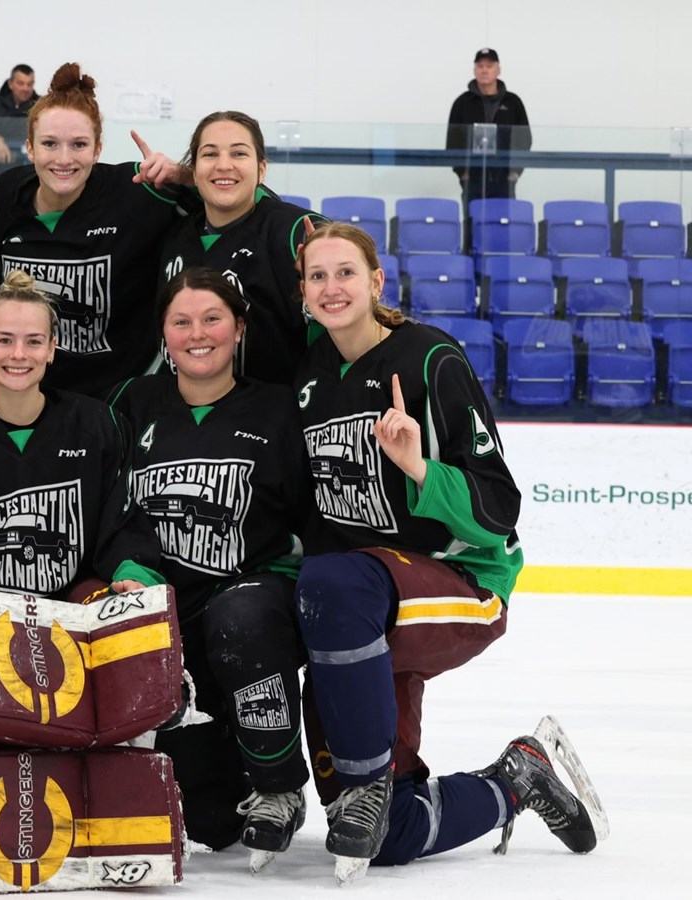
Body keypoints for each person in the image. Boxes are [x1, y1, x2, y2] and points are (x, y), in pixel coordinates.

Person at [293, 222, 599, 881]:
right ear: (303, 292)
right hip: (359, 605)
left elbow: (499, 507)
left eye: (346, 272)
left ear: (376, 281)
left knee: (333, 583)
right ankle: (518, 778)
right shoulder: (309, 376)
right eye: (317, 275)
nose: (332, 286)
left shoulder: (431, 359)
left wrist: (421, 469)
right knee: (384, 834)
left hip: (463, 581)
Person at [107, 267, 312, 863]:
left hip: (252, 612)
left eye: (213, 318)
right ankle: (236, 763)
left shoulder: (278, 410)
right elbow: (104, 511)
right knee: (212, 822)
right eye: (182, 322)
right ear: (164, 336)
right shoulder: (131, 403)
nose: (198, 334)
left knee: (241, 613)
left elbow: (311, 522)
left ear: (240, 327)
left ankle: (279, 785)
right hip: (168, 623)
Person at [0, 271, 161, 602]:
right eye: (4, 340)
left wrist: (132, 575)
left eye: (34, 341)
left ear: (52, 348)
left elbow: (123, 521)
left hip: (70, 614)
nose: (19, 354)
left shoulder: (99, 425)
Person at [0, 62, 189, 399]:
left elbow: (239, 199)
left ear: (97, 150)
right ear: (30, 148)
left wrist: (183, 176)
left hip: (119, 400)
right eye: (50, 144)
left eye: (79, 145)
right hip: (31, 399)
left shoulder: (137, 192)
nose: (64, 159)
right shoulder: (4, 194)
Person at [160, 111, 324, 386]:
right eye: (210, 155)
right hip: (185, 415)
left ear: (262, 169)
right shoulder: (173, 234)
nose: (224, 165)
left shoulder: (295, 231)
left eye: (239, 154)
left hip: (273, 416)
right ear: (194, 172)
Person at [446, 48, 531, 206]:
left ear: (498, 70)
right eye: (480, 66)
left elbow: (524, 138)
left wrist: (514, 172)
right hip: (473, 178)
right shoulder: (462, 103)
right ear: (474, 70)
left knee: (501, 223)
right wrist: (463, 172)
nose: (484, 70)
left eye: (489, 66)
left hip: (503, 178)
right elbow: (453, 140)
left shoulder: (513, 102)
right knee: (472, 225)